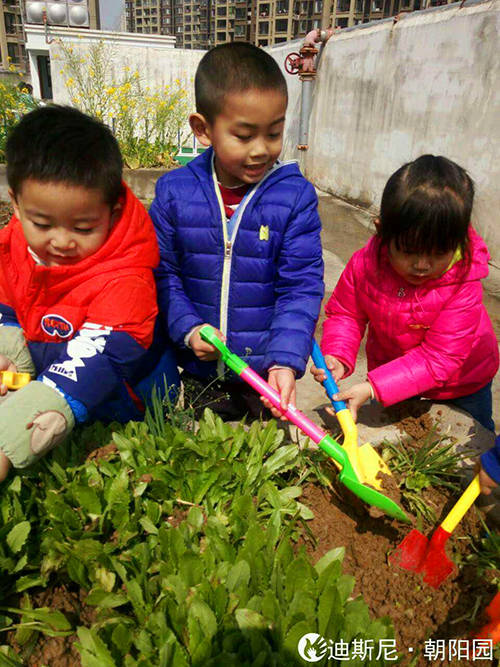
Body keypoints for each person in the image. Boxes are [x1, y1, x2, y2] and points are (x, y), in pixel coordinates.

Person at [0, 105, 179, 481]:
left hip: (123, 402)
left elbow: (97, 361)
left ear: (112, 213)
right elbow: (8, 308)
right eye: (42, 223)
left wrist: (9, 440)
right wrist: (8, 356)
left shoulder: (128, 278)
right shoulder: (11, 247)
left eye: (83, 228)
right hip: (47, 374)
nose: (62, 241)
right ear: (15, 203)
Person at [150, 42, 324, 420]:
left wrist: (284, 360)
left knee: (264, 461)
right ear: (203, 129)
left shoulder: (295, 198)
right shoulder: (173, 193)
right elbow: (164, 274)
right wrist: (188, 328)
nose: (262, 149)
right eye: (244, 136)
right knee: (211, 459)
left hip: (264, 375)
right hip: (199, 369)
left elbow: (300, 287)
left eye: (274, 133)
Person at [312, 155, 498, 432]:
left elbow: (439, 358)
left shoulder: (463, 281)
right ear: (381, 231)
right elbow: (347, 314)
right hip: (398, 377)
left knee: (470, 445)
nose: (422, 265)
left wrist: (374, 387)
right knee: (397, 440)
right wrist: (337, 355)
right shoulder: (365, 265)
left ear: (458, 241)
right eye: (408, 251)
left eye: (438, 254)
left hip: (462, 384)